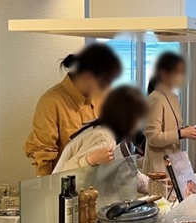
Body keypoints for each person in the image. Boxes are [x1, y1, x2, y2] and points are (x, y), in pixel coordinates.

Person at [24, 44, 122, 176]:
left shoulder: (103, 96)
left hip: (99, 180)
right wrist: (46, 186)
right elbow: (43, 155)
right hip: (65, 181)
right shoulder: (51, 102)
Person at [53, 85, 150, 193]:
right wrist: (89, 160)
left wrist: (154, 185)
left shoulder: (100, 128)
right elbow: (65, 175)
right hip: (61, 197)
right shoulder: (104, 140)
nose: (139, 125)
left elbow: (128, 171)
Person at [142, 52, 196, 174]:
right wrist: (181, 133)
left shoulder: (173, 97)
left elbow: (169, 129)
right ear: (163, 74)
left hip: (173, 160)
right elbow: (153, 137)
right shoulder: (156, 98)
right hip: (158, 166)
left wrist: (185, 131)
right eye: (177, 72)